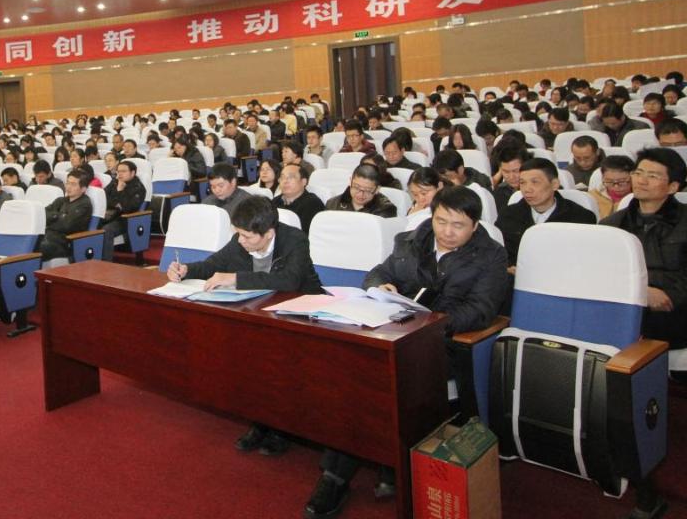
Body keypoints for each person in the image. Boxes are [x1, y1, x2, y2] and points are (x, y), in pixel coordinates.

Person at [306, 186, 509, 518]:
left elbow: (481, 310)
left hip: (443, 343)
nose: (447, 231)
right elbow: (378, 273)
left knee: (379, 384)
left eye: (458, 225)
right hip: (395, 333)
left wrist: (427, 324)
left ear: (475, 225)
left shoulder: (491, 256)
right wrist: (377, 287)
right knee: (354, 374)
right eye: (441, 221)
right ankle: (350, 472)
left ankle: (344, 474)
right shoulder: (411, 241)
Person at [168, 197, 323, 458]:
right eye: (238, 234)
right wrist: (186, 270)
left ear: (268, 233)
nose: (240, 241)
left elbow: (290, 280)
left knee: (279, 365)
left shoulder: (295, 240)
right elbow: (213, 265)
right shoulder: (241, 238)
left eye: (247, 237)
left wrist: (236, 279)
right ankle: (261, 421)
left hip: (301, 315)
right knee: (248, 358)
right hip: (262, 313)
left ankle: (282, 429)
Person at [601, 148, 687, 349]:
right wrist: (642, 293)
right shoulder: (612, 224)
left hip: (677, 310)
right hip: (627, 305)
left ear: (672, 186)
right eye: (638, 173)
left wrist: (669, 297)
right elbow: (600, 274)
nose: (641, 181)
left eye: (652, 176)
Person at [496, 158, 596, 268]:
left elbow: (585, 260)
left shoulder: (581, 218)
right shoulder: (508, 215)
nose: (527, 189)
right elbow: (498, 253)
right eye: (523, 183)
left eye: (535, 182)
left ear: (554, 184)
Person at [39, 169, 94, 261]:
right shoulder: (61, 200)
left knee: (35, 249)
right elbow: (42, 215)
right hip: (48, 236)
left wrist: (51, 220)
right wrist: (58, 216)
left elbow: (67, 225)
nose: (68, 187)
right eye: (67, 183)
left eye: (73, 184)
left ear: (83, 189)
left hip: (65, 244)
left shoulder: (84, 204)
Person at [101, 160, 147, 248]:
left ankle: (106, 257)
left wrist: (120, 191)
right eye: (118, 171)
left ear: (132, 173)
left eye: (123, 171)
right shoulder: (115, 182)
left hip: (125, 219)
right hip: (109, 215)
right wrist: (116, 204)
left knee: (107, 230)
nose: (120, 174)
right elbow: (103, 198)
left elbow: (127, 208)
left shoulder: (138, 188)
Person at [325, 164, 396, 217]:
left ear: (377, 189)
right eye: (357, 187)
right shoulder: (333, 204)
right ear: (350, 182)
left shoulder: (385, 209)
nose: (361, 194)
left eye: (367, 190)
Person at [272, 163, 324, 231]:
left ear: (304, 182)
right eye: (282, 177)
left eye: (291, 177)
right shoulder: (274, 201)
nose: (285, 181)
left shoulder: (313, 204)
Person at [589, 155, 635, 219]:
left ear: (633, 177)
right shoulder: (592, 197)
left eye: (622, 181)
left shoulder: (639, 199)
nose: (616, 187)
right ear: (603, 178)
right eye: (609, 181)